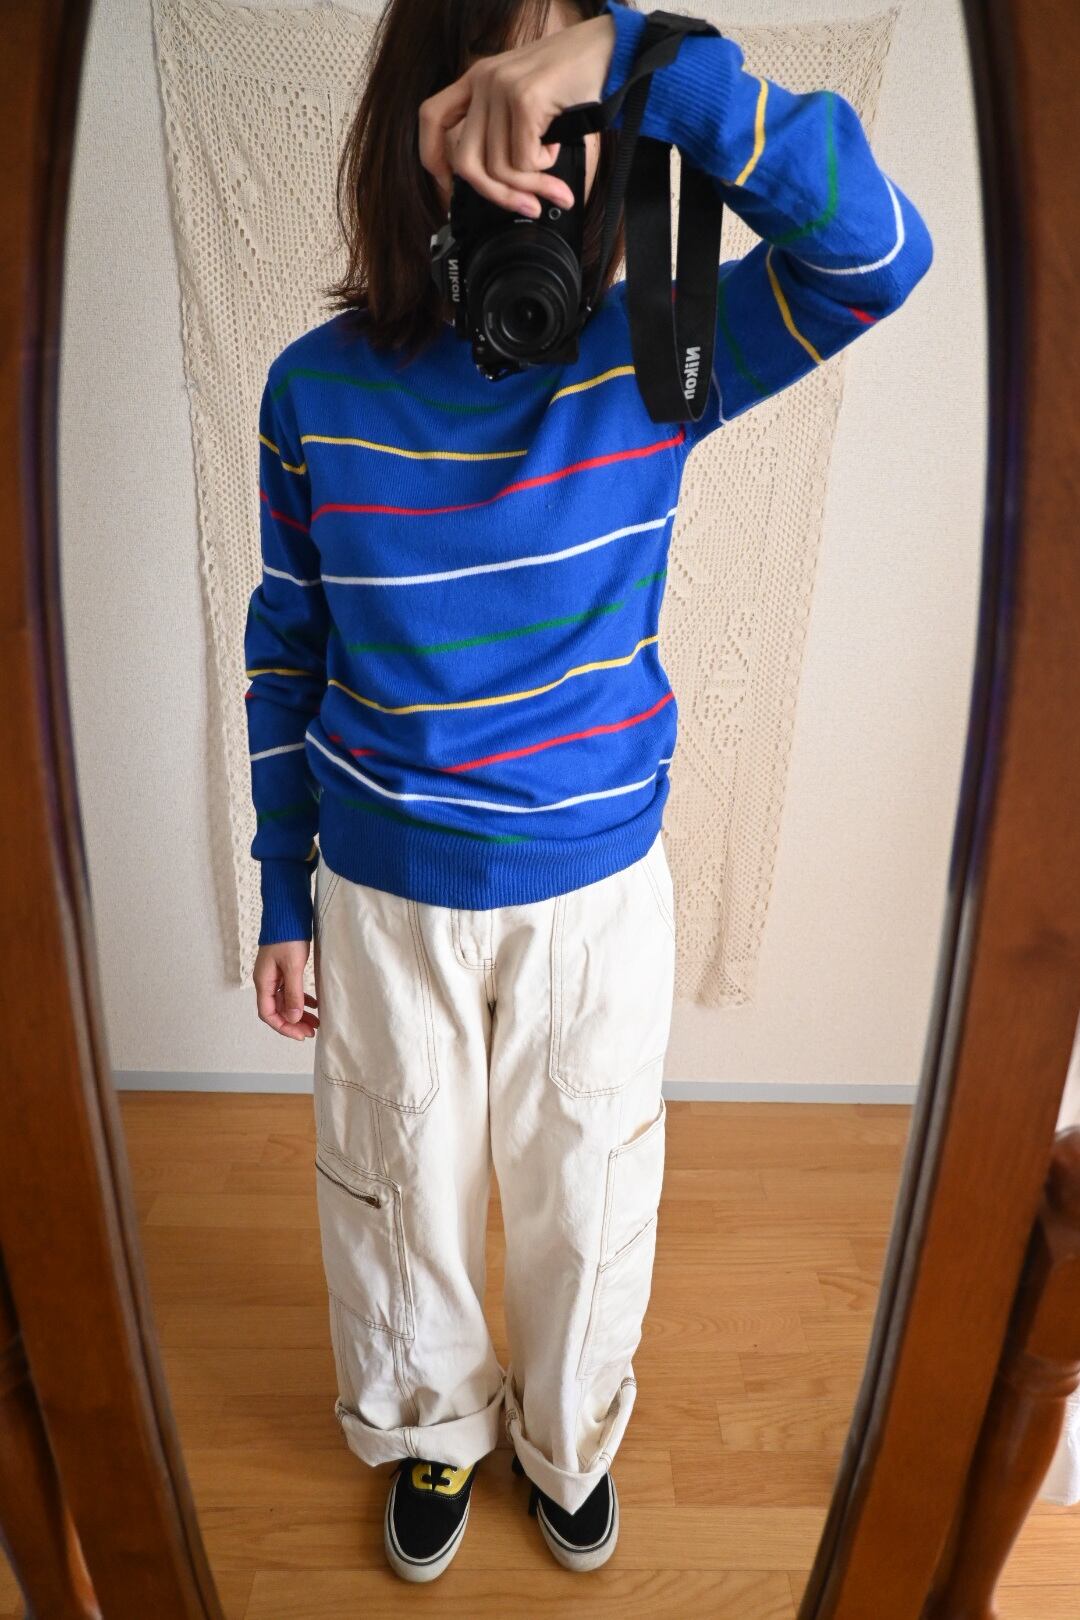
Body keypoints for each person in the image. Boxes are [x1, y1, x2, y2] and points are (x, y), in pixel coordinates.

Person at [243, 0, 933, 1583]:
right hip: (385, 890)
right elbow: (288, 649)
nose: (531, 152)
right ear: (416, 127)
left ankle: (566, 1438)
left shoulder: (659, 356)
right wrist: (281, 887)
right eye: (491, 102)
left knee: (590, 1186)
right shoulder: (314, 389)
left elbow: (877, 254)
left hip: (594, 890)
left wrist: (635, 56)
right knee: (395, 1189)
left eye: (561, 118)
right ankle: (434, 1425)